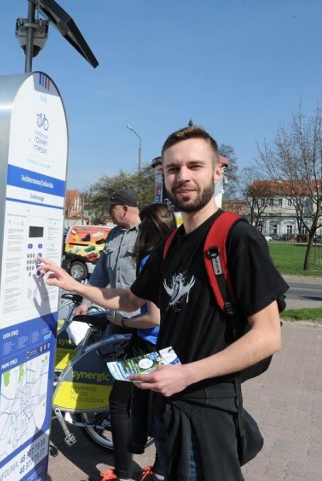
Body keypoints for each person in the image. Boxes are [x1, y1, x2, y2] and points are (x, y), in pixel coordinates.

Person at [39, 125, 288, 481]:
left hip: (208, 409)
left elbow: (268, 336)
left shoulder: (237, 238)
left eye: (195, 166)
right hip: (169, 406)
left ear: (218, 172)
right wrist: (74, 284)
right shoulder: (170, 246)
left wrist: (186, 374)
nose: (183, 176)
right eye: (173, 169)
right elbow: (127, 299)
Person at [100, 203, 176, 481]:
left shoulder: (151, 259)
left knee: (119, 401)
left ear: (147, 228)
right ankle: (158, 471)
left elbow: (153, 318)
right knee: (162, 408)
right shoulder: (176, 253)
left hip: (149, 345)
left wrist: (123, 322)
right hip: (172, 345)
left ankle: (124, 473)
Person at [76, 188, 141, 323]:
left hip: (139, 320)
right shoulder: (113, 234)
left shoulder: (148, 234)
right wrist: (85, 303)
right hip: (115, 317)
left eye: (112, 208)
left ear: (124, 209)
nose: (109, 212)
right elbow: (100, 274)